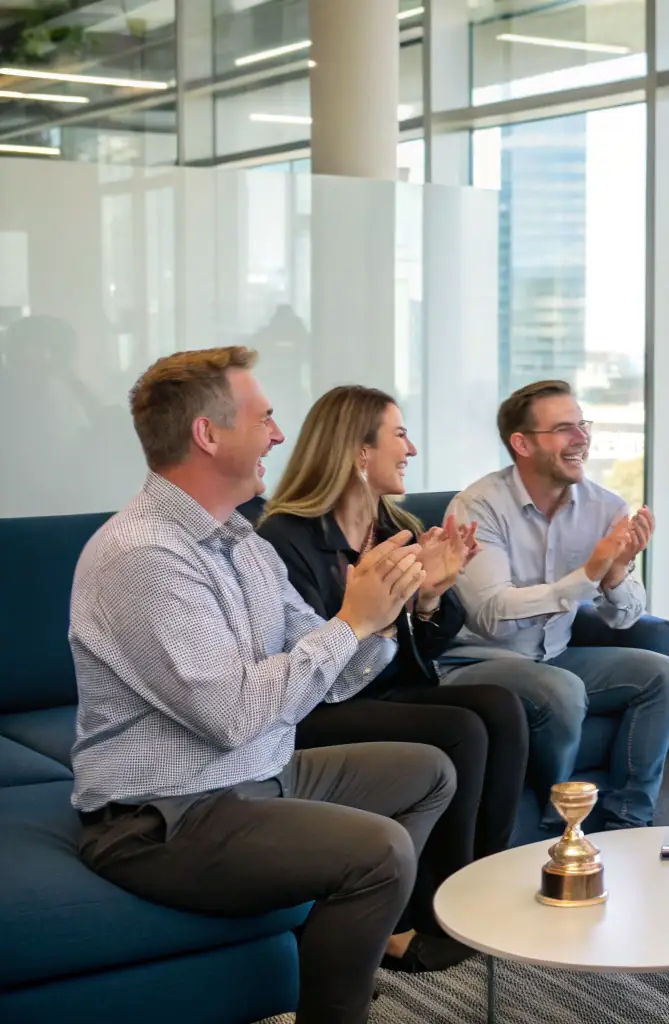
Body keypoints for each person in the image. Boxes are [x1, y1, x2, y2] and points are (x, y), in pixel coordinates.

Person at [69, 347, 457, 1024]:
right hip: (166, 817)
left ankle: (342, 938)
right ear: (207, 434)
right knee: (380, 851)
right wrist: (350, 621)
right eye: (266, 417)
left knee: (428, 772)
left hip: (255, 776)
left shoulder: (241, 541)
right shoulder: (144, 556)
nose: (279, 435)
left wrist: (389, 608)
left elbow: (336, 678)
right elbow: (233, 713)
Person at [255, 385, 530, 970]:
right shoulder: (287, 538)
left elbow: (433, 639)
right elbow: (306, 654)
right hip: (322, 702)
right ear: (358, 452)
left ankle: (482, 887)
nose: (411, 448)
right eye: (398, 434)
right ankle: (431, 912)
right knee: (461, 729)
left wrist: (429, 597)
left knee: (501, 708)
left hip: (394, 688)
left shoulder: (399, 525)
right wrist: (382, 609)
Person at [439, 380, 669, 832]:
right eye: (563, 429)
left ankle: (628, 820)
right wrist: (587, 575)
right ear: (522, 443)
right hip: (478, 661)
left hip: (553, 655)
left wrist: (614, 577)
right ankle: (560, 824)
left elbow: (625, 616)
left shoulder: (605, 507)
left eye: (582, 425)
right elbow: (490, 613)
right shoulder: (478, 507)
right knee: (562, 690)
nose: (581, 438)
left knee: (664, 675)